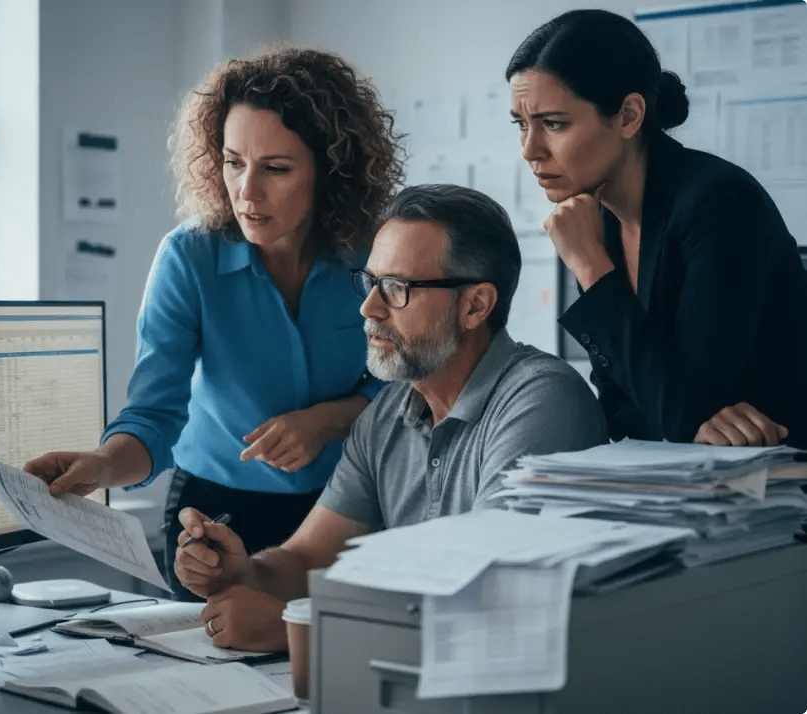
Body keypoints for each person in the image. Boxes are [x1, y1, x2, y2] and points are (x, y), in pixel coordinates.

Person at [24, 47, 404, 598]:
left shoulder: (376, 254)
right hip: (215, 513)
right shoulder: (187, 259)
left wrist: (330, 419)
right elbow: (155, 412)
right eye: (233, 162)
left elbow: (408, 386)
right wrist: (103, 466)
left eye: (276, 168)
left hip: (346, 505)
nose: (246, 191)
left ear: (331, 172)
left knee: (329, 667)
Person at [174, 184, 609, 652]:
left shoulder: (542, 401)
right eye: (370, 282)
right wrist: (246, 572)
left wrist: (294, 631)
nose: (369, 308)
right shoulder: (387, 413)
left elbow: (494, 597)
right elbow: (308, 560)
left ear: (475, 305)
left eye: (397, 289)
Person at [505, 9, 807, 449]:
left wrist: (592, 268)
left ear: (629, 115)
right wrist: (681, 413)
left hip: (778, 484)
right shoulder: (595, 218)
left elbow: (690, 409)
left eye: (554, 124)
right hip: (675, 480)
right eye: (520, 124)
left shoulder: (719, 203)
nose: (530, 150)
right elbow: (624, 406)